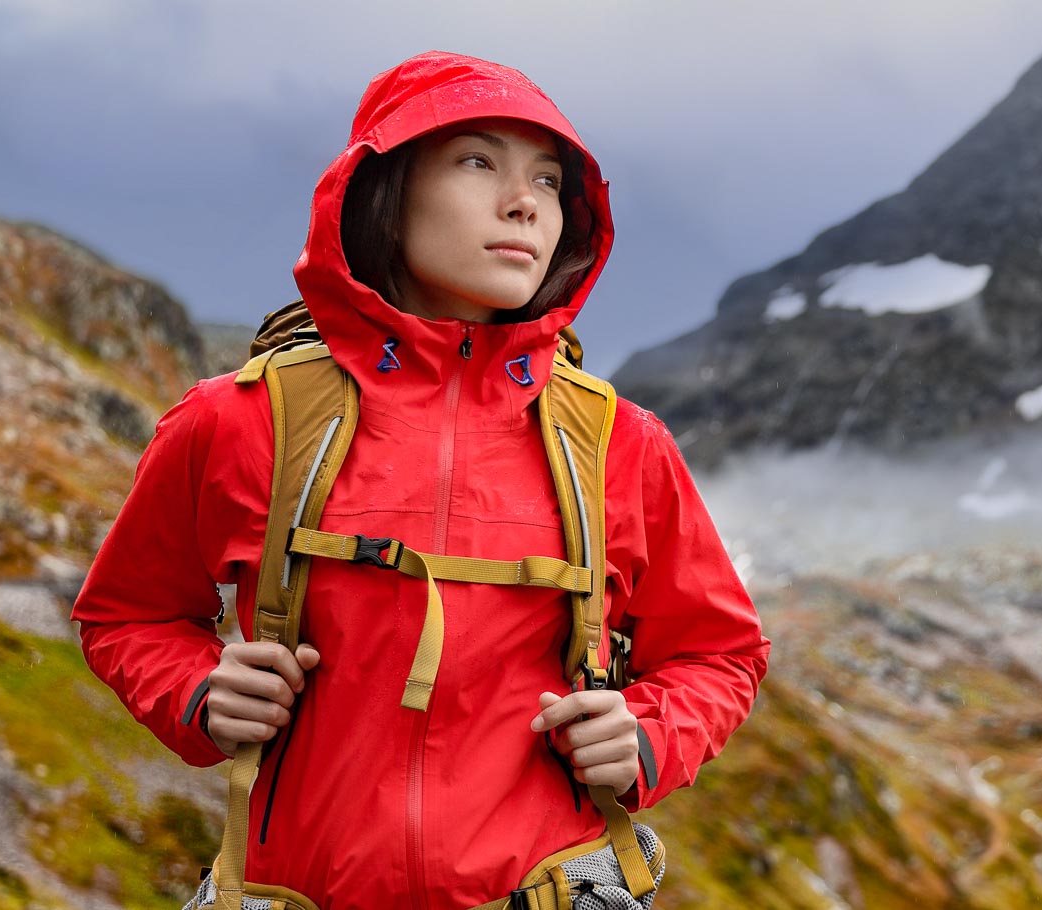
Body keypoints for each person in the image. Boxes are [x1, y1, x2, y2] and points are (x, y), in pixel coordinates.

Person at [70, 50, 772, 908]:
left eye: (550, 182)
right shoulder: (239, 420)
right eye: (478, 161)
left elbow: (720, 652)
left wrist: (650, 738)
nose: (525, 203)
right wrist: (197, 692)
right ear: (385, 193)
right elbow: (124, 614)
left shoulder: (619, 441)